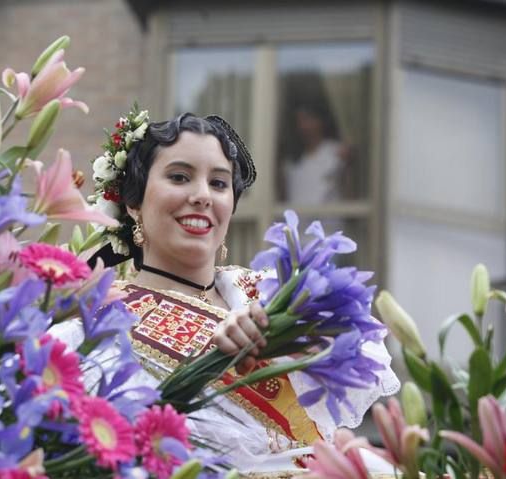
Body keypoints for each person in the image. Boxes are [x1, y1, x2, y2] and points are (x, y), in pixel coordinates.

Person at [51, 112, 399, 473]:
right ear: (133, 202)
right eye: (180, 177)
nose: (202, 195)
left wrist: (290, 337)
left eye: (218, 183)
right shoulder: (90, 329)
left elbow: (362, 360)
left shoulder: (271, 290)